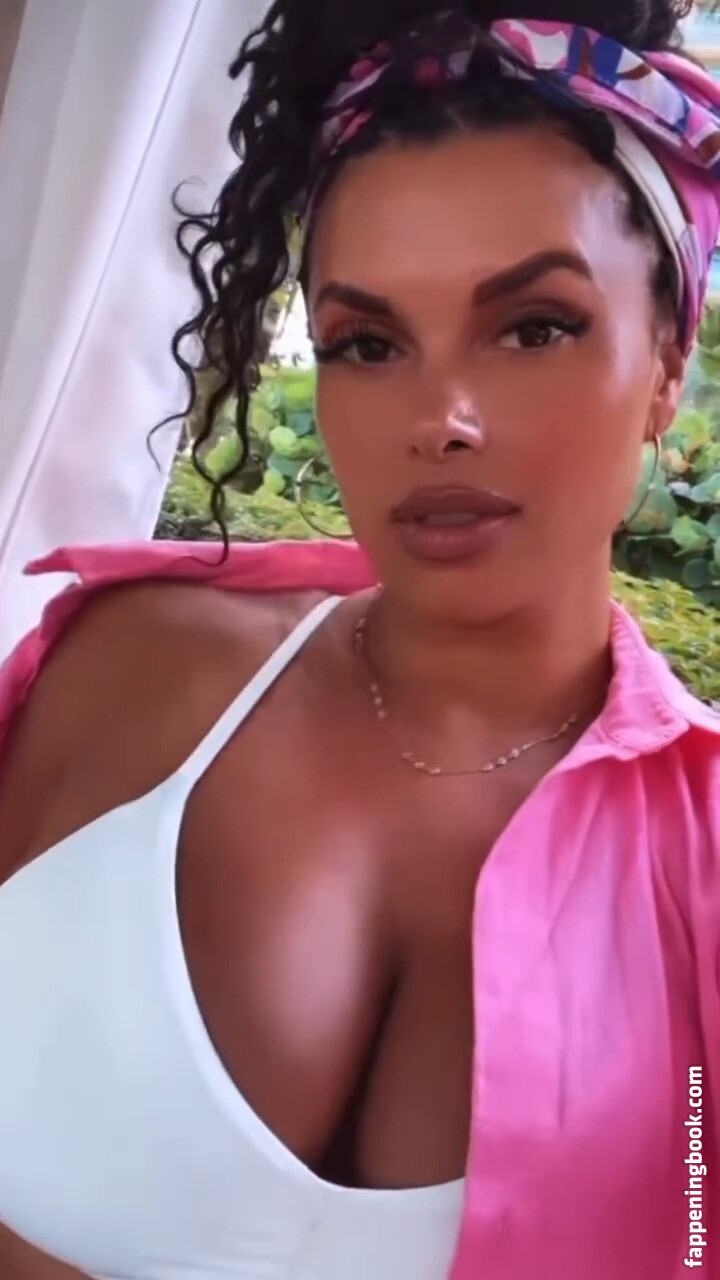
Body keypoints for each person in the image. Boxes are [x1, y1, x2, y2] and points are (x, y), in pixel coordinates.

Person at [0, 2, 719, 1277]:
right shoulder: (131, 672)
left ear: (668, 360)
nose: (442, 417)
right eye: (369, 342)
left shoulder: (701, 871)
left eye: (534, 325)